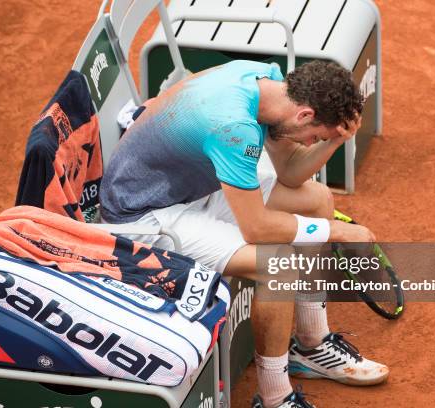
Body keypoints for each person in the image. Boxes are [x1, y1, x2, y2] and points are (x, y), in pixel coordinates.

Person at [99, 60, 388, 408]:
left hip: (189, 187)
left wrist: (334, 141)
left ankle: (310, 345)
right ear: (305, 114)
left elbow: (290, 173)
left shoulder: (266, 81)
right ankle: (274, 396)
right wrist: (335, 231)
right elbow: (257, 227)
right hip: (144, 215)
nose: (311, 144)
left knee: (318, 200)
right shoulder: (235, 128)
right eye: (315, 137)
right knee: (280, 265)